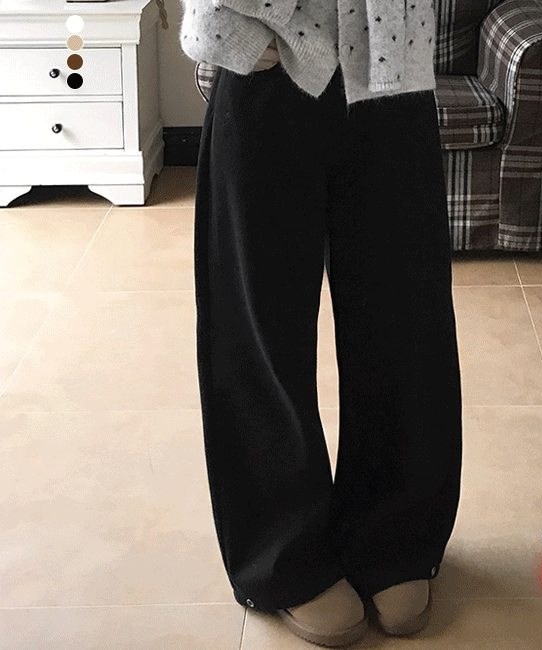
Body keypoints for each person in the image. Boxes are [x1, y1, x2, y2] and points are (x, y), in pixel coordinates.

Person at [179, 0, 463, 645]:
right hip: (267, 60)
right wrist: (229, 31)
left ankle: (396, 534)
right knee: (260, 327)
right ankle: (281, 552)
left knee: (406, 319)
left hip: (395, 64)